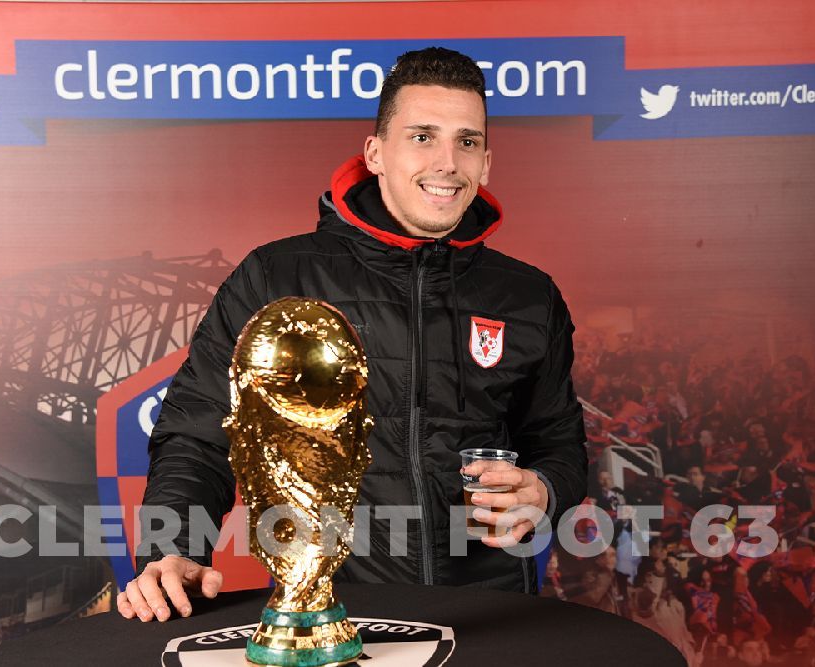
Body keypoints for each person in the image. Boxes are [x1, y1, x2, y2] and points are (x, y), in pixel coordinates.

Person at [118, 47, 588, 623]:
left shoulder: (529, 295)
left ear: (485, 163)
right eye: (422, 136)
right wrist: (172, 551)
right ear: (375, 154)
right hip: (332, 613)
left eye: (466, 141)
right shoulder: (276, 276)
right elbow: (197, 433)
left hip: (491, 613)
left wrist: (543, 489)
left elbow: (558, 443)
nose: (447, 162)